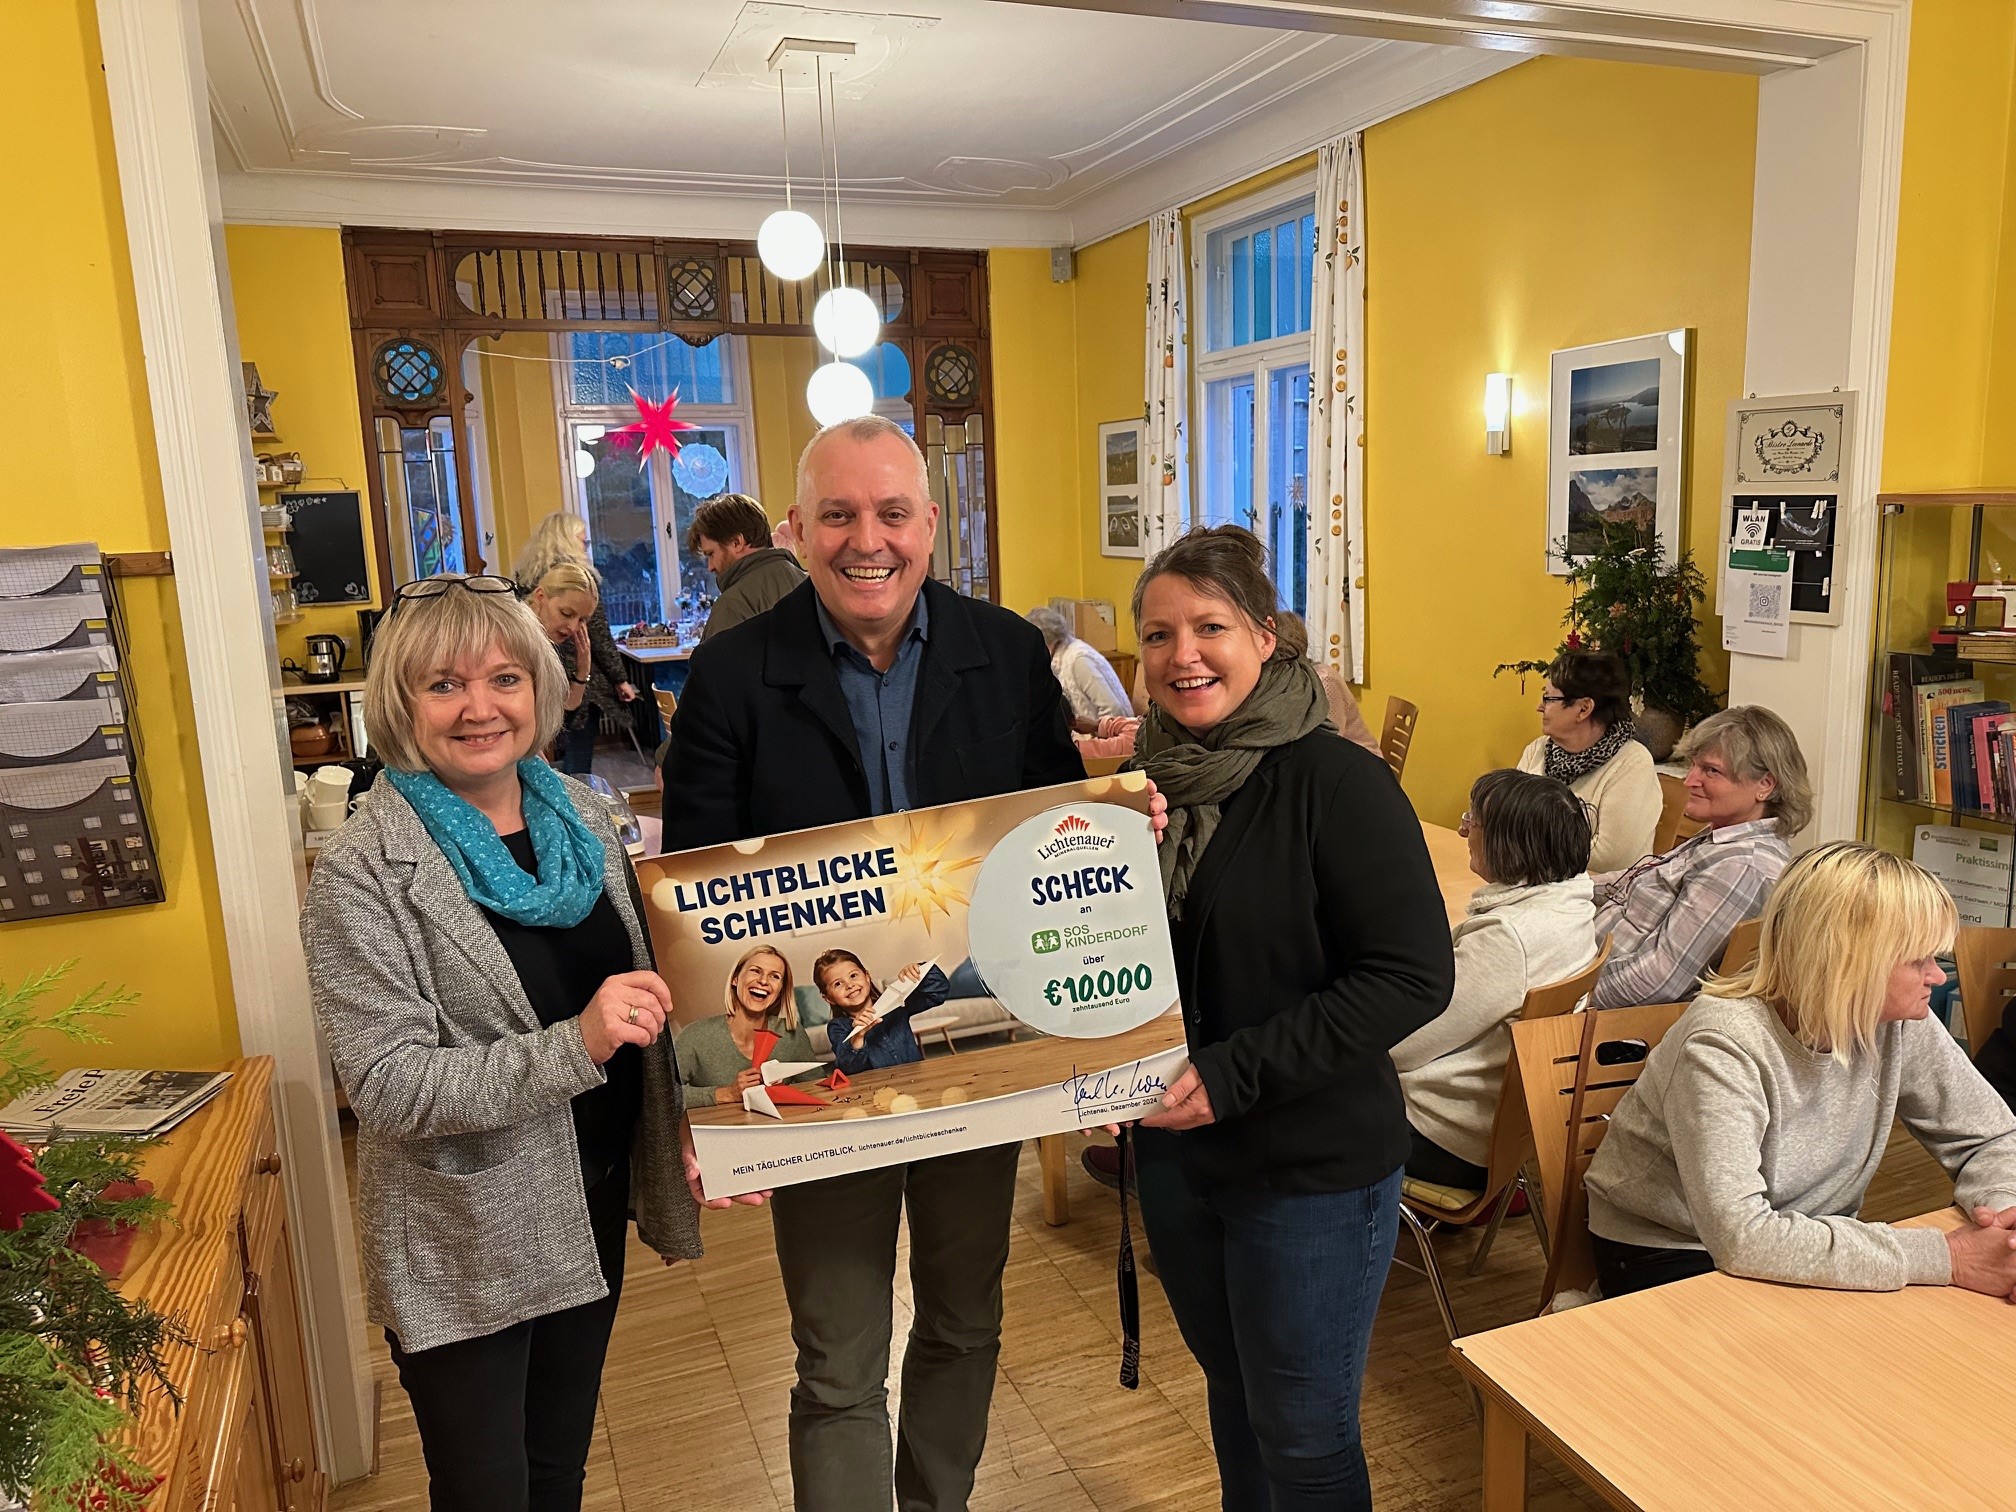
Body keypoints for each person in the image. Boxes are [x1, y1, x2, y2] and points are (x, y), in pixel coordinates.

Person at [661, 414, 1093, 1512]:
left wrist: (1114, 841)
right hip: (821, 1085)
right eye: (840, 515)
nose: (869, 541)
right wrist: (708, 1108)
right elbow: (697, 902)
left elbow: (1054, 844)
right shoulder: (730, 675)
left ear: (930, 525)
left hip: (971, 1068)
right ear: (796, 529)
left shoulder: (1007, 653)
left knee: (965, 1320)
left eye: (893, 513)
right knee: (838, 1363)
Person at [300, 574, 725, 1512]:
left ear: (539, 685)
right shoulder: (363, 870)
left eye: (504, 678)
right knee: (487, 1492)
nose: (480, 707)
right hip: (465, 1238)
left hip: (588, 1203)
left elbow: (644, 999)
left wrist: (697, 1124)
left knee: (558, 1473)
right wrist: (575, 1044)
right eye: (443, 685)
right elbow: (389, 1085)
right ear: (401, 703)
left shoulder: (582, 814)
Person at [1123, 524, 1453, 1512]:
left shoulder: (1337, 783)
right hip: (1180, 1160)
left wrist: (1231, 1075)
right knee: (1236, 1399)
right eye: (1158, 635)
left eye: (1210, 627)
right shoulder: (1136, 794)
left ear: (1265, 638)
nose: (1183, 655)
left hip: (1309, 1168)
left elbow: (1411, 975)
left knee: (1306, 1438)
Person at [1585, 841, 2016, 1298]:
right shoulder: (1721, 1043)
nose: (1938, 976)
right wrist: (1948, 1256)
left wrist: (2004, 1218)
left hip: (1801, 1231)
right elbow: (1742, 1238)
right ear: (1849, 963)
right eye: (1917, 960)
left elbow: (1989, 1136)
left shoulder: (1899, 1019)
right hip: (1672, 1248)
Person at [1393, 769, 1597, 1189]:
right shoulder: (1573, 905)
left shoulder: (1509, 939)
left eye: (1474, 822)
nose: (1463, 830)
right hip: (1503, 1135)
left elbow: (1403, 1046)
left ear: (1512, 846)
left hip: (1444, 1136)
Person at [1589, 705, 1811, 1011]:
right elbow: (1625, 882)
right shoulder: (1723, 838)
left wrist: (1563, 996)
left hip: (1594, 1016)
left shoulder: (1740, 868)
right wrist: (1561, 886)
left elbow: (1657, 981)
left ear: (1765, 785)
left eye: (1711, 771)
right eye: (1693, 766)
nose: (1689, 781)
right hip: (1580, 970)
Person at [1516, 650, 1660, 873]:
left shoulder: (1632, 763)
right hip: (1535, 881)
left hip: (1601, 891)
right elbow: (1510, 820)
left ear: (1583, 709)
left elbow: (1610, 858)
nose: (1540, 707)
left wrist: (1525, 847)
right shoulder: (1538, 750)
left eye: (1549, 698)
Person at [512, 511, 637, 720]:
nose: (572, 626)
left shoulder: (526, 576)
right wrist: (619, 678)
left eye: (581, 620)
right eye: (583, 541)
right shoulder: (579, 582)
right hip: (574, 682)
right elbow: (599, 636)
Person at [674, 946, 823, 1107]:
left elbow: (818, 1087)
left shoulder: (791, 1033)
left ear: (780, 990)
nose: (763, 981)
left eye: (775, 976)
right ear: (735, 978)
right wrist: (727, 1093)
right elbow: (662, 1095)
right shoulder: (695, 1036)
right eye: (755, 971)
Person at [689, 492, 806, 642]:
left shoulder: (731, 605)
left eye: (711, 554)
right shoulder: (811, 584)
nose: (710, 567)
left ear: (737, 543)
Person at [815, 951, 950, 1075]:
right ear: (828, 998)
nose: (849, 985)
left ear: (867, 976)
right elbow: (849, 1068)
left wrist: (919, 971)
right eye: (838, 984)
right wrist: (858, 1036)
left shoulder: (895, 1004)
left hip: (915, 1079)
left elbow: (938, 993)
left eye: (853, 975)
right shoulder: (837, 1027)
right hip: (877, 1090)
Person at [525, 560, 600, 774]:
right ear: (540, 596)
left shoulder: (543, 641)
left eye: (583, 620)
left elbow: (566, 706)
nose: (573, 627)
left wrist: (583, 668)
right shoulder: (519, 640)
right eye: (566, 613)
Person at [1025, 604, 1131, 726]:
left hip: (1111, 732)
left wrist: (1095, 730)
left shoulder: (1078, 659)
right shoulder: (1058, 657)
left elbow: (1114, 709)